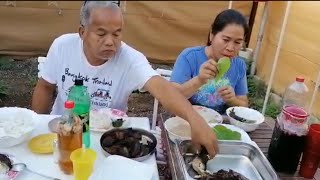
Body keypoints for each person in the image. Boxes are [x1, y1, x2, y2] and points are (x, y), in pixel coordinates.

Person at [31, 1, 218, 157]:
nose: (110, 41)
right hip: (64, 134)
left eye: (117, 33)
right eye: (101, 33)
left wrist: (195, 120)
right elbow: (45, 86)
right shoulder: (63, 46)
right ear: (82, 32)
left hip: (109, 143)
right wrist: (39, 124)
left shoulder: (130, 59)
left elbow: (162, 88)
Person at [170, 9, 249, 115]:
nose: (230, 48)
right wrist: (199, 80)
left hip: (221, 122)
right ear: (212, 35)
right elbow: (172, 96)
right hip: (188, 118)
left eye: (237, 42)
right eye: (225, 40)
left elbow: (244, 104)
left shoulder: (239, 65)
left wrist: (232, 100)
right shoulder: (190, 57)